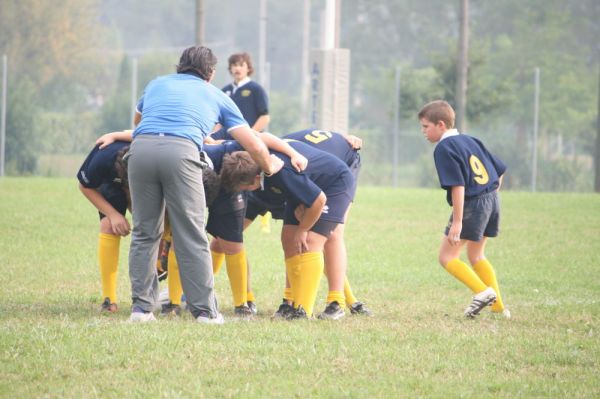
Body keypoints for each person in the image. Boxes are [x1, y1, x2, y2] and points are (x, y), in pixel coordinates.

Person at [126, 45, 282, 324]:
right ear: (210, 73)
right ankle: (205, 312)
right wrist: (270, 166)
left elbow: (138, 123)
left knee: (145, 231)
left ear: (179, 66)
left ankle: (141, 309)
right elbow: (252, 142)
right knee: (191, 233)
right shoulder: (215, 94)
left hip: (140, 152)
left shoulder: (156, 84)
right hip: (181, 153)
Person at [243, 129, 372, 319]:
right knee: (289, 238)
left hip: (337, 176)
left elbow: (318, 199)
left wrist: (304, 227)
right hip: (308, 176)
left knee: (327, 235)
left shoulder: (283, 164)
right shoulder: (272, 155)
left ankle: (336, 302)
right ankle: (290, 301)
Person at [418, 100, 510, 319]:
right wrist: (491, 195)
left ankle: (483, 292)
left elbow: (457, 185)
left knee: (447, 257)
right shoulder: (471, 140)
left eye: (425, 126)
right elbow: (500, 170)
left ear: (441, 124)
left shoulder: (444, 147)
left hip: (472, 205)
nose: (423, 132)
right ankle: (498, 307)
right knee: (476, 254)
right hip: (491, 200)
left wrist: (458, 222)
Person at [77, 140, 130, 313]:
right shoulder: (103, 158)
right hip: (112, 182)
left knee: (157, 226)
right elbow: (85, 186)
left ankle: (173, 298)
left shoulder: (149, 151)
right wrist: (114, 215)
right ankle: (109, 300)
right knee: (109, 225)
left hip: (144, 183)